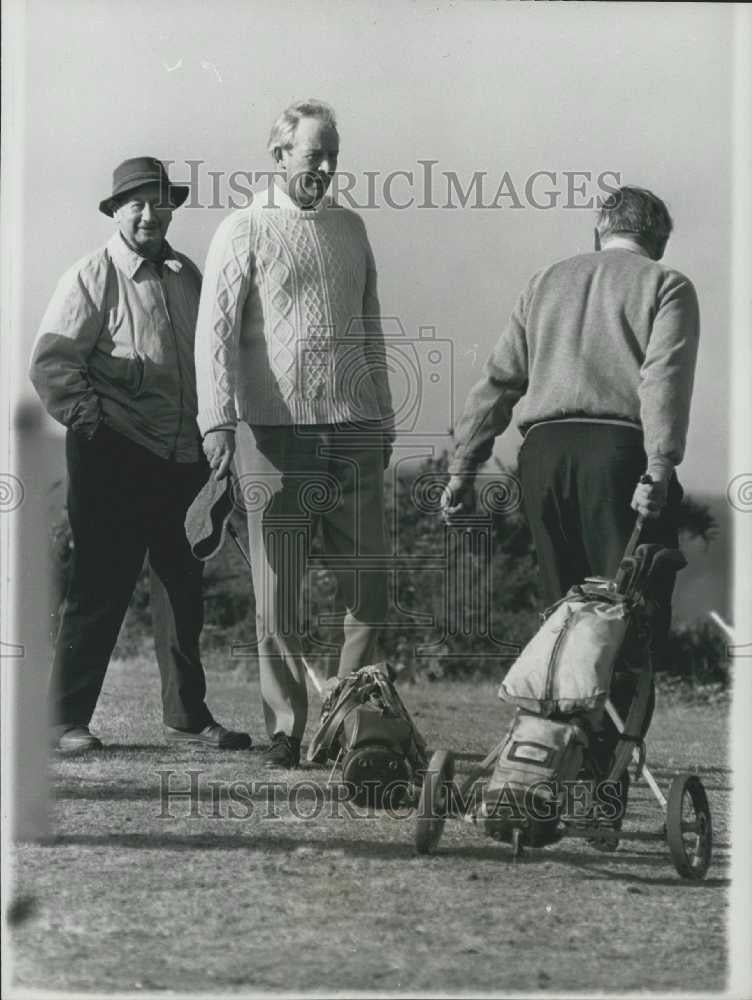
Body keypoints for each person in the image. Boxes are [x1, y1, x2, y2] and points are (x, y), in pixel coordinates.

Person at [442, 186, 700, 786]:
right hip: (616, 455)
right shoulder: (666, 285)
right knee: (628, 618)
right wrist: (659, 467)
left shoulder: (545, 281)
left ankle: (556, 760)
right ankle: (601, 773)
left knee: (565, 614)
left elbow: (498, 382)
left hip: (543, 457)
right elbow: (663, 380)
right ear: (657, 239)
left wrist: (464, 467)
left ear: (598, 232)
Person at [195, 100, 394, 768]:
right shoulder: (241, 228)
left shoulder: (352, 228)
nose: (328, 166)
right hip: (273, 436)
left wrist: (384, 417)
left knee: (370, 588)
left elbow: (370, 328)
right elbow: (214, 335)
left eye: (335, 152)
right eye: (315, 154)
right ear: (280, 154)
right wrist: (216, 422)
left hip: (356, 430)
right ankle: (286, 727)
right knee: (279, 595)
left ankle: (355, 725)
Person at [29, 156, 251, 753]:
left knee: (182, 590)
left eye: (159, 200)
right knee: (100, 584)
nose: (149, 213)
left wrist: (215, 435)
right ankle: (62, 720)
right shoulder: (91, 275)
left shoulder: (188, 275)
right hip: (113, 455)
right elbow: (52, 366)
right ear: (116, 211)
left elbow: (213, 360)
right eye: (136, 203)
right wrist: (98, 429)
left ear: (172, 206)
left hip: (184, 458)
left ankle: (187, 715)